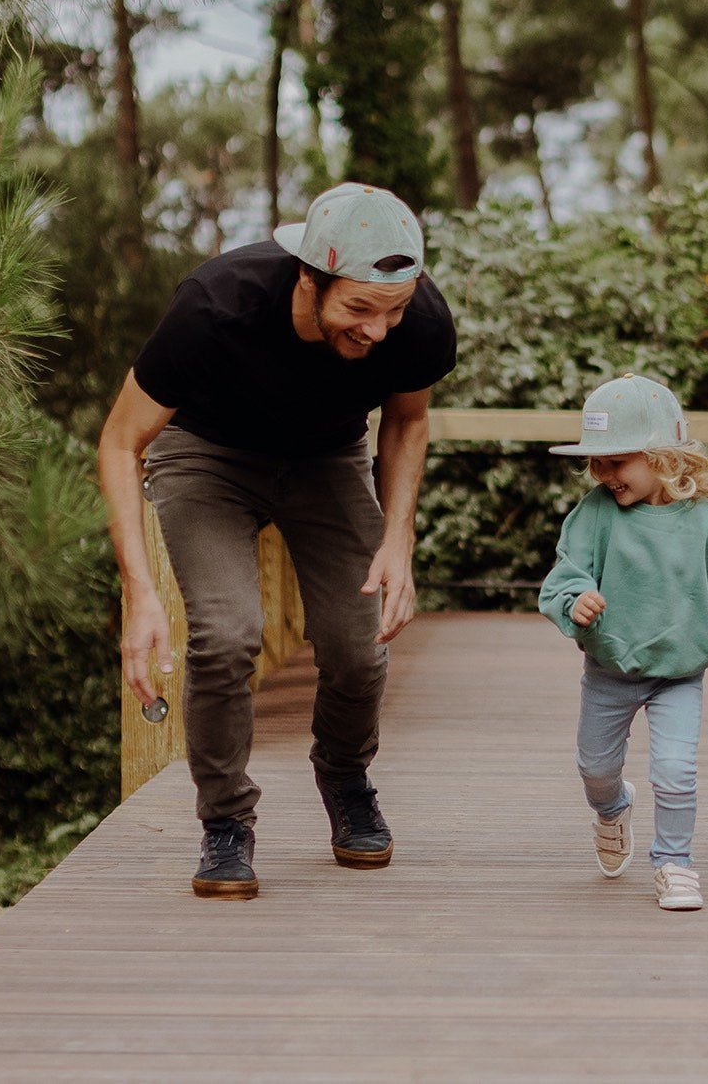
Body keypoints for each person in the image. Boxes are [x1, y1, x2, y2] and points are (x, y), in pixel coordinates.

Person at [98, 182, 456, 899]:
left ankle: (347, 776)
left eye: (392, 310)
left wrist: (398, 539)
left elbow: (408, 422)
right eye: (358, 308)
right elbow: (119, 441)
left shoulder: (415, 316)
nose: (379, 330)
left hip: (326, 458)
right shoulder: (213, 306)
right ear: (308, 276)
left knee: (360, 639)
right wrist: (140, 594)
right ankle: (225, 821)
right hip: (208, 456)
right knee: (228, 633)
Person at [538, 374, 708, 911]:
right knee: (595, 768)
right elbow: (565, 576)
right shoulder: (594, 515)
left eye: (617, 461)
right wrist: (576, 600)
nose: (604, 474)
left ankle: (674, 862)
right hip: (609, 670)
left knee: (675, 769)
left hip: (679, 673)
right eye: (597, 463)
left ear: (664, 457)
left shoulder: (707, 523)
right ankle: (613, 808)